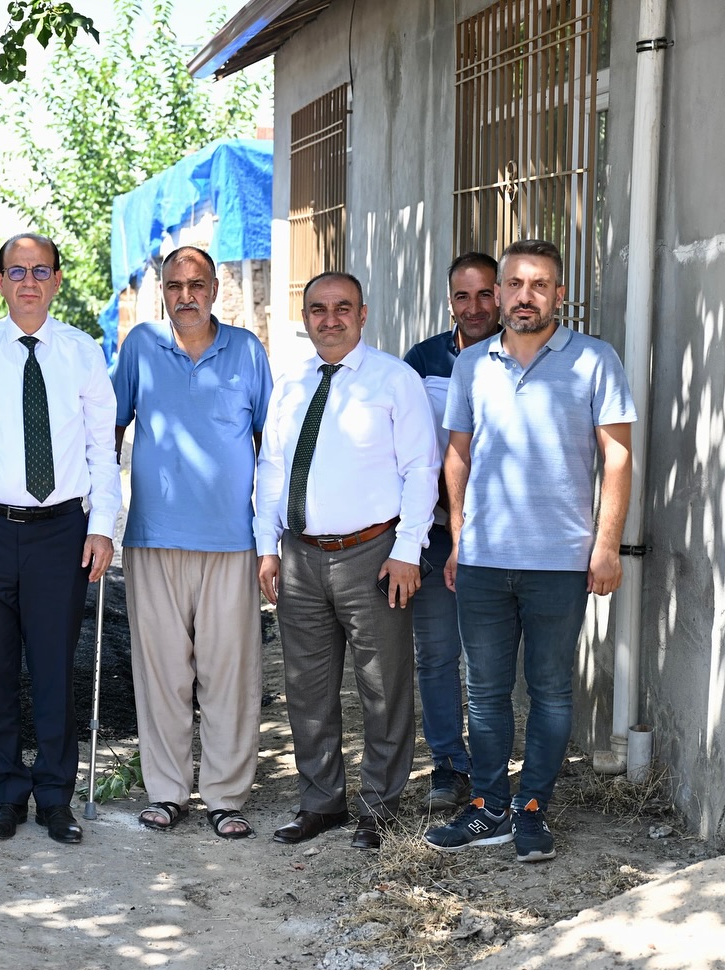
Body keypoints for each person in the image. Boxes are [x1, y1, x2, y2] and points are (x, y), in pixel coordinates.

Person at [426, 239, 635, 863]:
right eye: (514, 284)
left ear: (559, 295)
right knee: (484, 691)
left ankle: (533, 807)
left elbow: (617, 456)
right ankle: (489, 807)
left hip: (561, 561)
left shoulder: (595, 360)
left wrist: (606, 546)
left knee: (549, 691)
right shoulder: (472, 365)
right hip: (485, 559)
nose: (524, 296)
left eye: (539, 285)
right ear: (502, 291)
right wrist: (461, 539)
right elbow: (457, 455)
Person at [0, 233, 121, 845]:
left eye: (40, 270)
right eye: (15, 271)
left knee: (52, 670)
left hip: (61, 534)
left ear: (57, 280)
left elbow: (103, 448)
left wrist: (102, 527)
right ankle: (6, 795)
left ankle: (54, 797)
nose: (28, 282)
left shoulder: (82, 352)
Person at [256, 271, 439, 851]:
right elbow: (271, 470)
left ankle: (379, 807)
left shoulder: (395, 380)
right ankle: (320, 802)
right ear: (304, 316)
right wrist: (268, 546)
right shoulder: (289, 385)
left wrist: (408, 551)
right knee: (306, 687)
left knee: (383, 686)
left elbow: (421, 470)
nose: (329, 319)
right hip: (300, 555)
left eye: (341, 308)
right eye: (317, 309)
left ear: (363, 314)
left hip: (374, 555)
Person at [110, 246, 272, 839]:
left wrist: (268, 536)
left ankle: (227, 796)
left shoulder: (248, 352)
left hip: (230, 540)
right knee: (163, 674)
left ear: (216, 289)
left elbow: (270, 448)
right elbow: (109, 428)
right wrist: (101, 513)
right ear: (163, 289)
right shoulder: (139, 349)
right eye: (175, 284)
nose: (186, 295)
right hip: (153, 537)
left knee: (229, 672)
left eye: (197, 284)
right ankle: (168, 792)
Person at [401, 252, 501, 812]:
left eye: (485, 294)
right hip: (438, 533)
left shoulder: (518, 356)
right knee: (436, 653)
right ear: (449, 303)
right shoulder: (423, 360)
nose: (475, 307)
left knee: (490, 659)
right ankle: (449, 766)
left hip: (504, 536)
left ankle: (493, 770)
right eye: (462, 297)